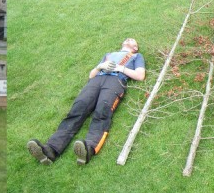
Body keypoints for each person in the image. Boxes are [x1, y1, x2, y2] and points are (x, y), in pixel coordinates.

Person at [27, 37, 146, 166]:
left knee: (102, 110)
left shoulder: (137, 56)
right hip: (96, 81)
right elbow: (91, 75)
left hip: (115, 81)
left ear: (135, 48)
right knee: (77, 109)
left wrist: (120, 68)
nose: (129, 39)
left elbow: (140, 75)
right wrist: (100, 66)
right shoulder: (109, 55)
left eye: (132, 40)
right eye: (127, 39)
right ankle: (50, 150)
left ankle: (89, 149)